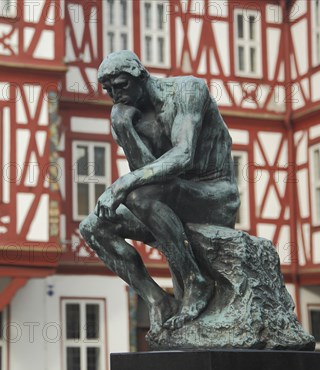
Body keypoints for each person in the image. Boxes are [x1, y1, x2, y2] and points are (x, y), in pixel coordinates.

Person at [79, 51, 240, 334]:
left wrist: (121, 184)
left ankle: (194, 282)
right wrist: (123, 127)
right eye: (109, 90)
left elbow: (184, 155)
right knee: (93, 227)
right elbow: (147, 173)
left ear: (141, 75)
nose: (116, 95)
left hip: (214, 196)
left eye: (121, 85)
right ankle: (157, 299)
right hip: (170, 198)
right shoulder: (127, 116)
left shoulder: (187, 90)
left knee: (137, 195)